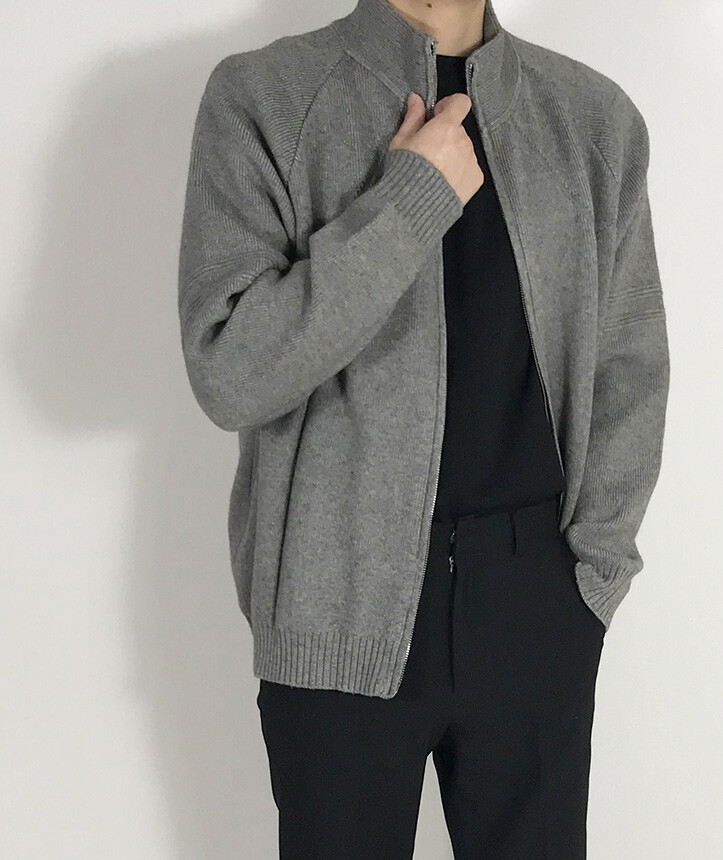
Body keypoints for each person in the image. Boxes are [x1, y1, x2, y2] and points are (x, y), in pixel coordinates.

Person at [176, 0, 670, 856]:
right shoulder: (264, 98)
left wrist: (593, 577)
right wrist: (412, 198)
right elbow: (230, 373)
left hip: (537, 603)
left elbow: (629, 367)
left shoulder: (593, 119)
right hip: (335, 598)